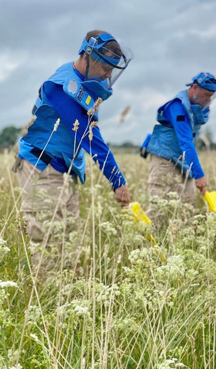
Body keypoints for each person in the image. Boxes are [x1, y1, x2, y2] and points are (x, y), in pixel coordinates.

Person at [13, 30, 132, 272]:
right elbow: (89, 134)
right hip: (41, 170)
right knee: (48, 248)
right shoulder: (63, 86)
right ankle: (48, 305)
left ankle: (70, 299)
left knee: (69, 246)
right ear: (86, 56)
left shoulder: (79, 83)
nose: (109, 74)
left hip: (61, 173)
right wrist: (117, 180)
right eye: (105, 67)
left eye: (113, 69)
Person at [141, 72, 216, 214]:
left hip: (183, 161)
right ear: (194, 87)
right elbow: (185, 142)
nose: (209, 99)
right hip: (164, 158)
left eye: (211, 96)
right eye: (206, 94)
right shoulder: (178, 107)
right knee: (160, 208)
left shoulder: (197, 108)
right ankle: (144, 234)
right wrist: (199, 175)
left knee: (188, 207)